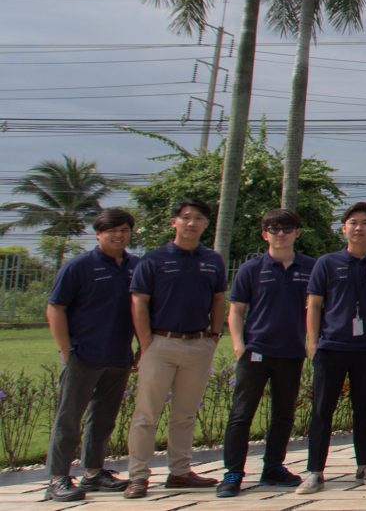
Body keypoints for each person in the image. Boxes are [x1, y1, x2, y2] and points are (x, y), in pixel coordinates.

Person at [127, 199, 227, 497]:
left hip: (198, 344)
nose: (191, 223)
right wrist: (146, 342)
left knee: (185, 413)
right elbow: (139, 302)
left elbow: (219, 298)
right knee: (147, 414)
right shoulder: (154, 260)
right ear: (174, 222)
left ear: (206, 224)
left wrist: (215, 335)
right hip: (160, 343)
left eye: (198, 218)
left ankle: (180, 471)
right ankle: (138, 476)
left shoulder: (213, 260)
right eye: (185, 217)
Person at [217, 209, 315, 497]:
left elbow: (318, 307)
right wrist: (238, 344)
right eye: (274, 229)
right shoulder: (251, 269)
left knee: (284, 414)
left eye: (287, 228)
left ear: (297, 232)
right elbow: (236, 311)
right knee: (241, 414)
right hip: (256, 351)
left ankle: (273, 466)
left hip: (291, 352)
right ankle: (233, 472)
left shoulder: (310, 268)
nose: (281, 234)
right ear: (265, 234)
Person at [42, 209, 138, 502]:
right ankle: (58, 478)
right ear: (98, 234)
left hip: (119, 354)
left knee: (104, 417)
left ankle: (94, 472)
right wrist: (66, 349)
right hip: (83, 354)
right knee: (69, 417)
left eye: (124, 230)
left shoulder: (137, 266)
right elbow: (55, 307)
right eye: (112, 230)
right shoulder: (80, 266)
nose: (118, 235)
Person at [299, 202, 366, 494]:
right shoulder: (327, 263)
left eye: (365, 223)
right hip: (332, 346)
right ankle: (315, 470)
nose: (359, 228)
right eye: (353, 222)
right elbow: (314, 304)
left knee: (364, 408)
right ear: (344, 228)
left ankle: (364, 464)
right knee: (322, 410)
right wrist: (313, 341)